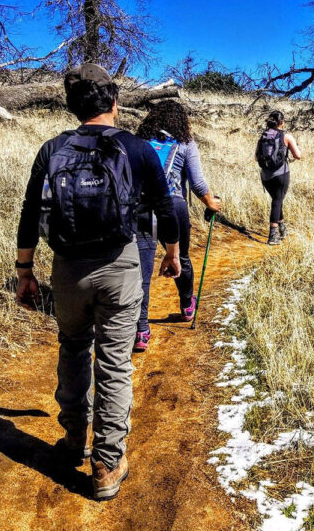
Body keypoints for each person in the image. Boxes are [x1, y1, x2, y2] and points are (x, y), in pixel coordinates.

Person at [15, 63, 181, 501]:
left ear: (73, 105)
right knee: (113, 361)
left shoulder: (52, 150)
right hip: (120, 265)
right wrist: (173, 253)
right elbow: (165, 207)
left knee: (72, 346)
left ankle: (74, 439)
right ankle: (106, 464)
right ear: (113, 100)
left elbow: (30, 214)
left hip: (68, 269)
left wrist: (24, 271)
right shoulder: (137, 148)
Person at [134, 101, 222, 351]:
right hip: (173, 206)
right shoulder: (185, 143)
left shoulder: (140, 140)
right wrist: (210, 202)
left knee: (142, 269)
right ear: (181, 120)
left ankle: (141, 330)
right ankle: (186, 305)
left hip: (141, 207)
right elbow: (197, 182)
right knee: (180, 257)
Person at [255, 109, 302, 245]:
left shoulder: (263, 136)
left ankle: (282, 228)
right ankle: (272, 235)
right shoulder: (286, 136)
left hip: (265, 176)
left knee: (277, 200)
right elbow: (298, 155)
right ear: (282, 122)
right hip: (281, 173)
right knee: (277, 200)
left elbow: (255, 157)